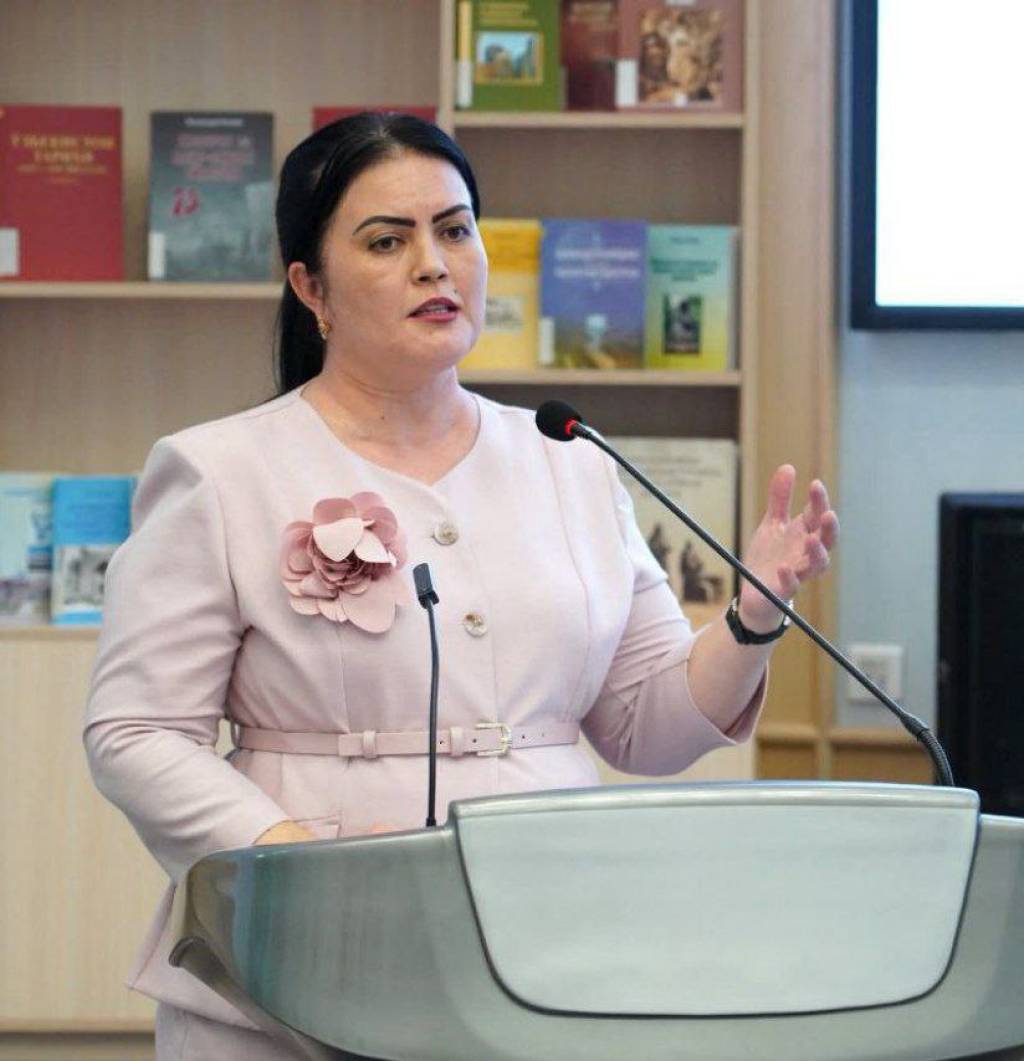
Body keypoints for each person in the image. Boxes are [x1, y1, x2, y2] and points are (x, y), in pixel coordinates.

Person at [83, 112, 839, 1059]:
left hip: (549, 944)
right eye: (387, 241)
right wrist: (290, 864)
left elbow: (645, 727)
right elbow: (137, 732)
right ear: (310, 287)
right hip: (304, 953)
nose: (434, 264)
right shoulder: (220, 471)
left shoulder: (569, 460)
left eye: (455, 229)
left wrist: (753, 617)